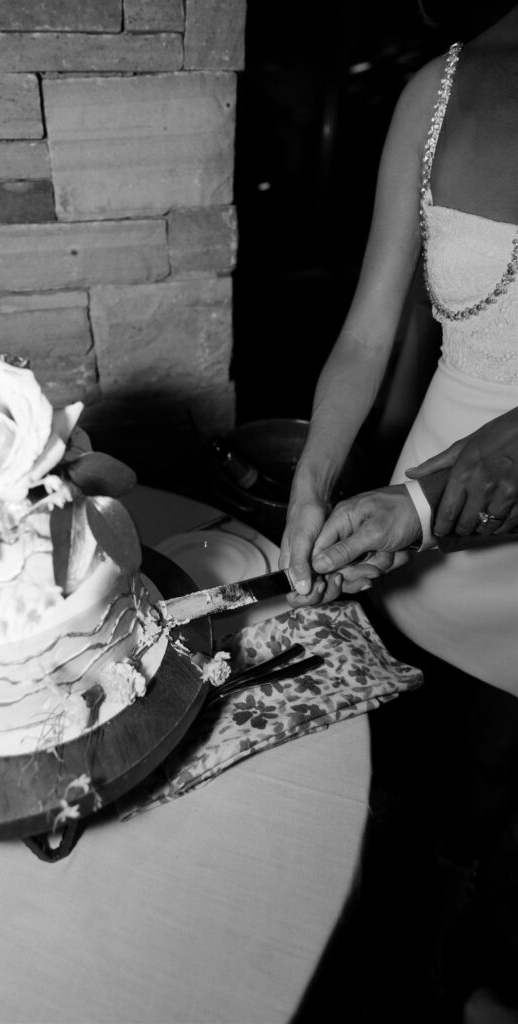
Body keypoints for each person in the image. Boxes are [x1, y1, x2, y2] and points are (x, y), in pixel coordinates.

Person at [277, 4, 518, 1019]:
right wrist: (312, 477)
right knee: (383, 807)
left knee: (488, 851)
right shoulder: (442, 87)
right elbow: (370, 331)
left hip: (450, 540)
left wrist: (413, 505)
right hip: (405, 552)